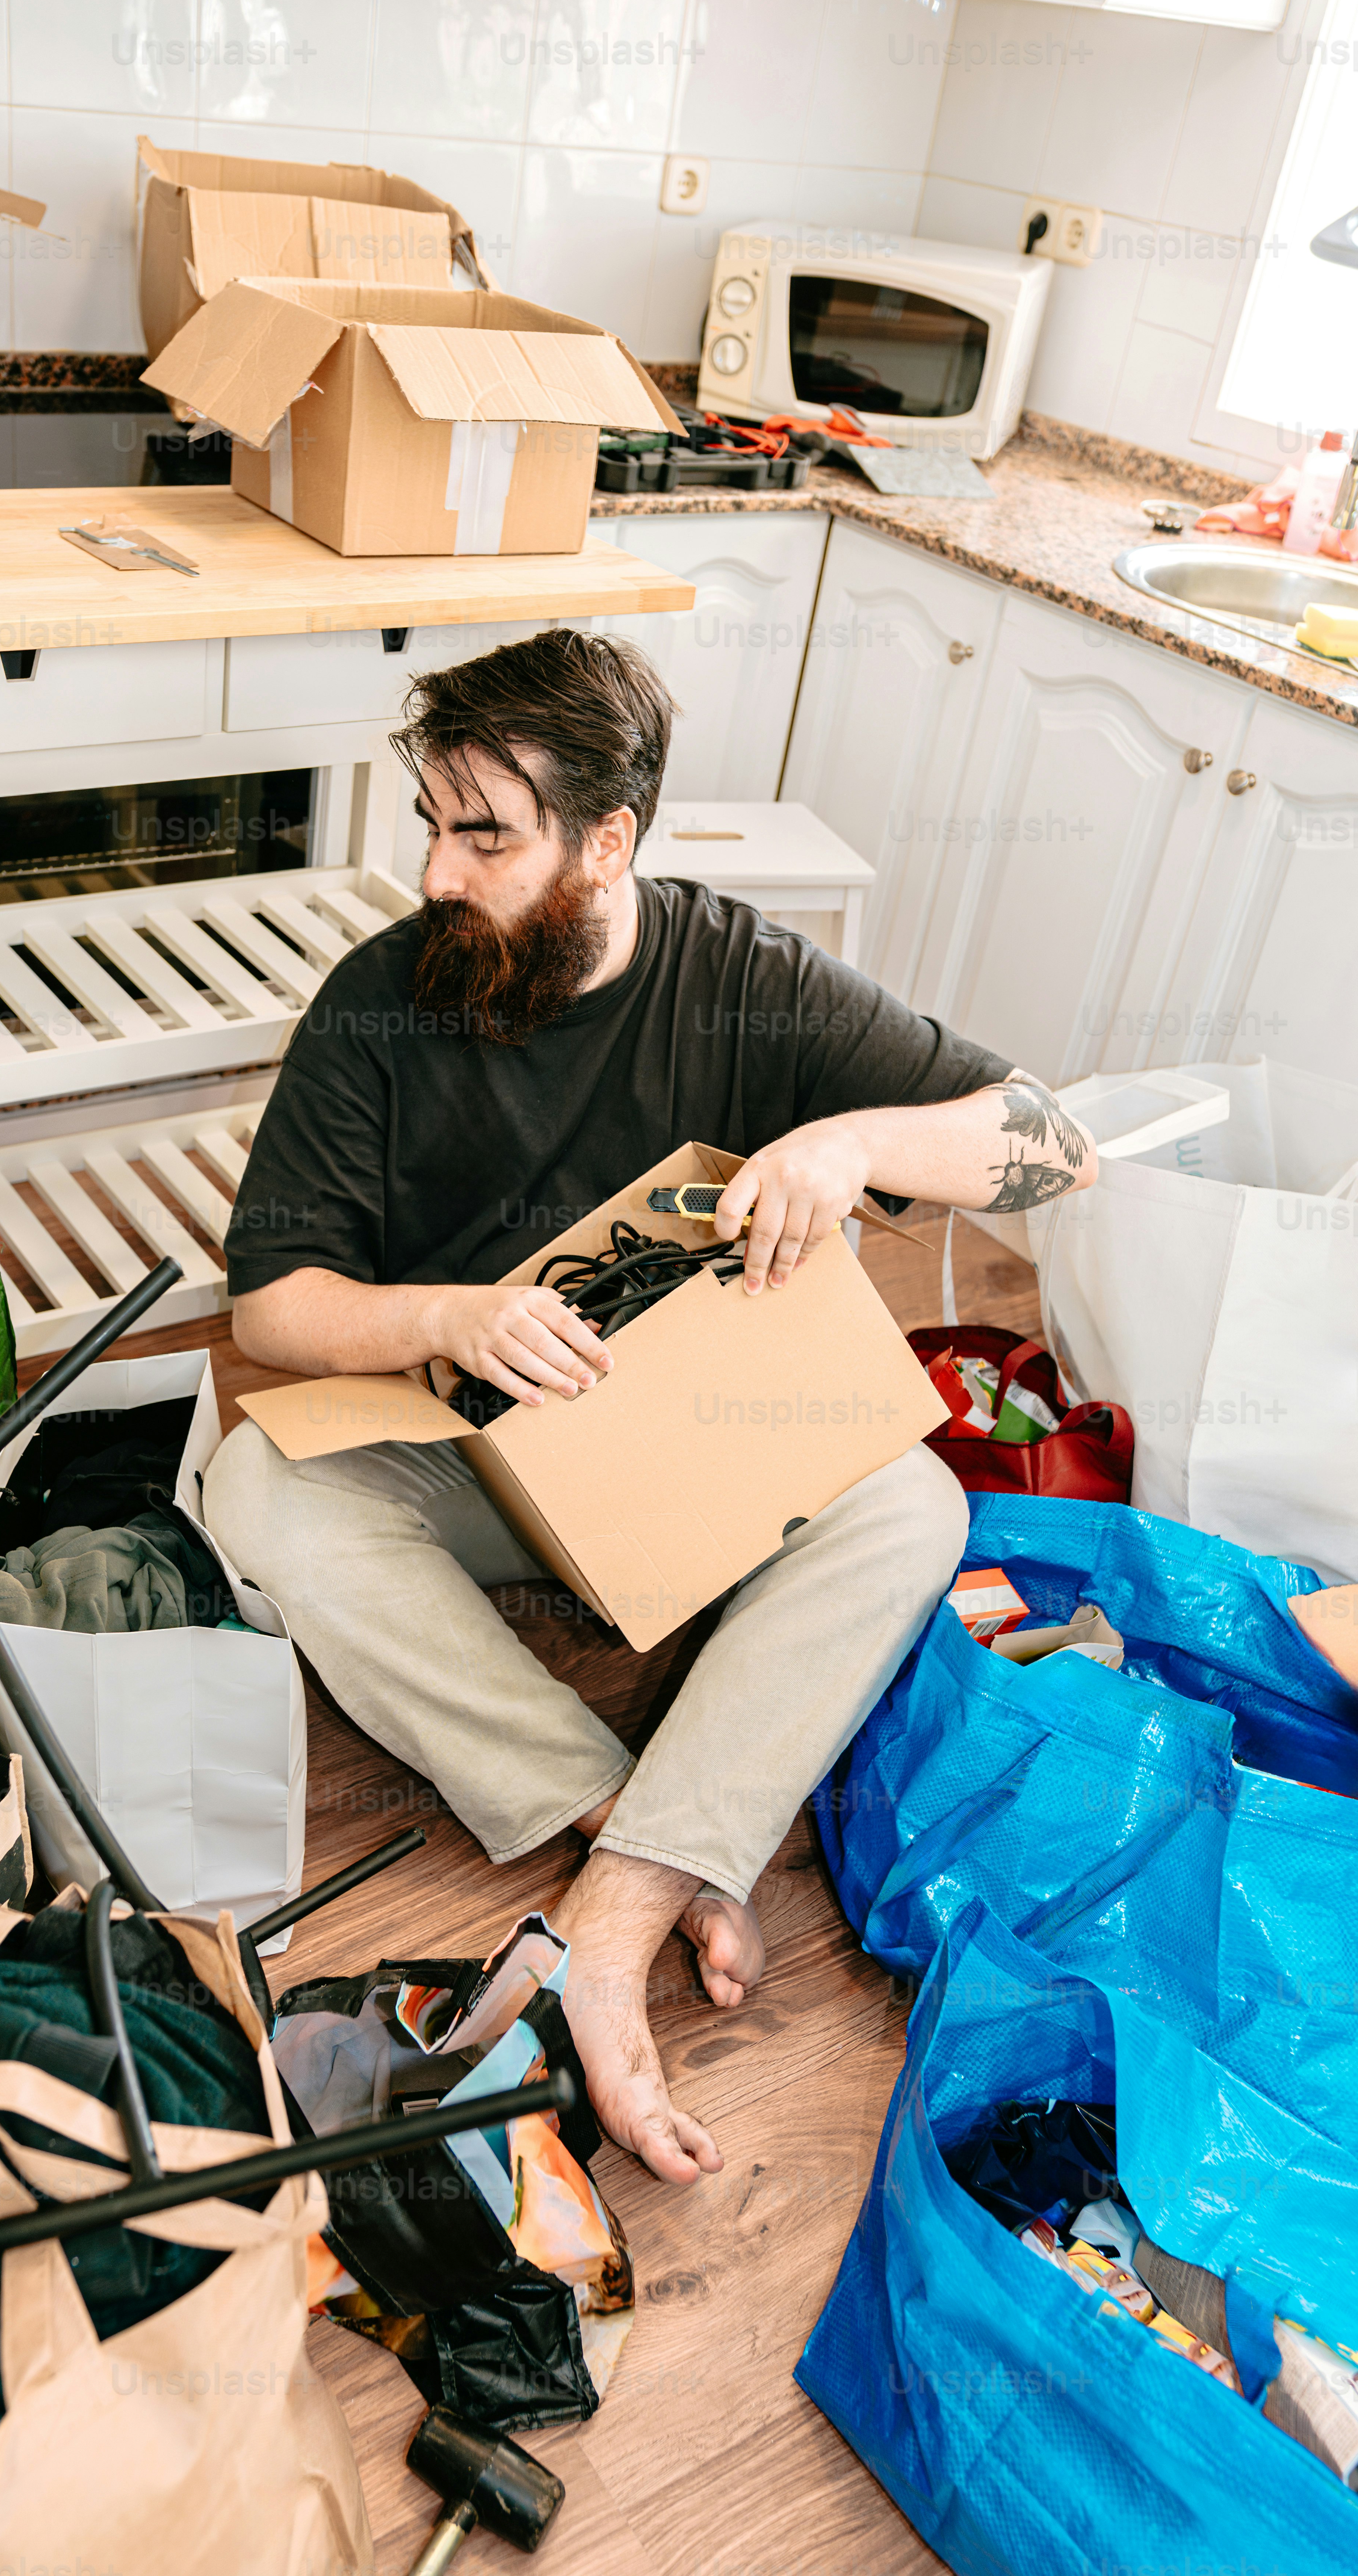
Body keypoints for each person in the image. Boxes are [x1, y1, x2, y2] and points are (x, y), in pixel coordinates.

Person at [201, 630, 1097, 2187]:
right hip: (461, 1441)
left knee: (913, 1506)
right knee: (257, 1495)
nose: (434, 871)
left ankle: (618, 1914)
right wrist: (447, 1314)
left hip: (671, 1445)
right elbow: (273, 1304)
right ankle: (625, 1813)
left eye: (483, 834)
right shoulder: (380, 1001)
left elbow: (1049, 1143)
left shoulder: (745, 981)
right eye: (430, 822)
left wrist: (846, 1143)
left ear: (607, 842)